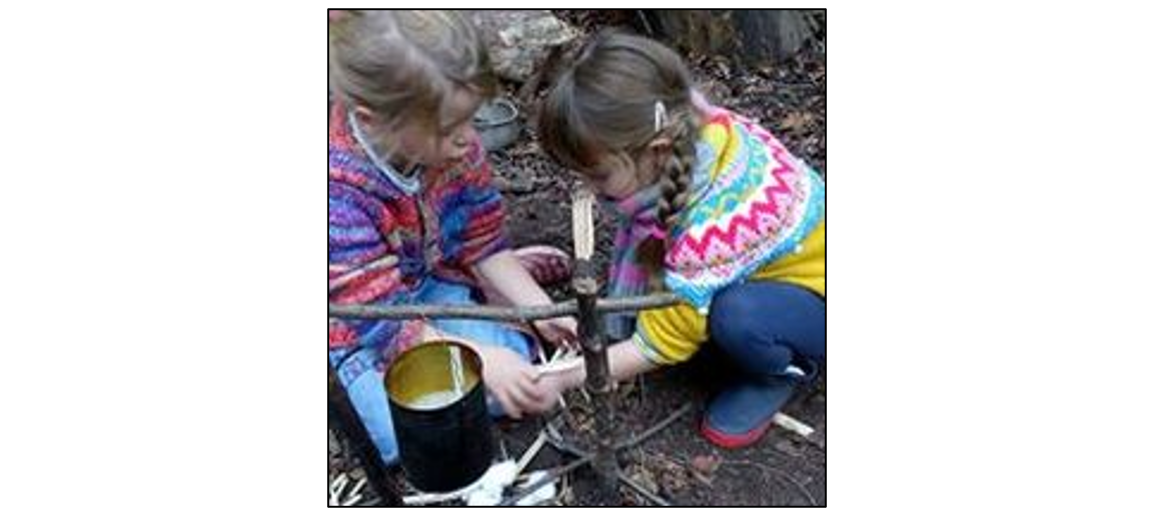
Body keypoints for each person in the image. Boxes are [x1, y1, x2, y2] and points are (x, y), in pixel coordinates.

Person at [534, 31, 825, 448]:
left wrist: (563, 377)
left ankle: (778, 371)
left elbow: (659, 344)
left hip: (818, 298)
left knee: (736, 317)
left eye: (596, 175)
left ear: (657, 149)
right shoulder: (692, 124)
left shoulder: (708, 232)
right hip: (789, 267)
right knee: (720, 308)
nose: (586, 187)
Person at [328, 10, 576, 465]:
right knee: (396, 438)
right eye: (448, 128)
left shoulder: (455, 146)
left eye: (471, 118)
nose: (467, 140)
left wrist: (543, 310)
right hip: (359, 323)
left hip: (428, 278)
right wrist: (475, 354)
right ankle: (349, 369)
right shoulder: (337, 195)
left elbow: (482, 238)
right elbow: (378, 317)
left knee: (520, 372)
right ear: (375, 118)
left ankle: (499, 291)